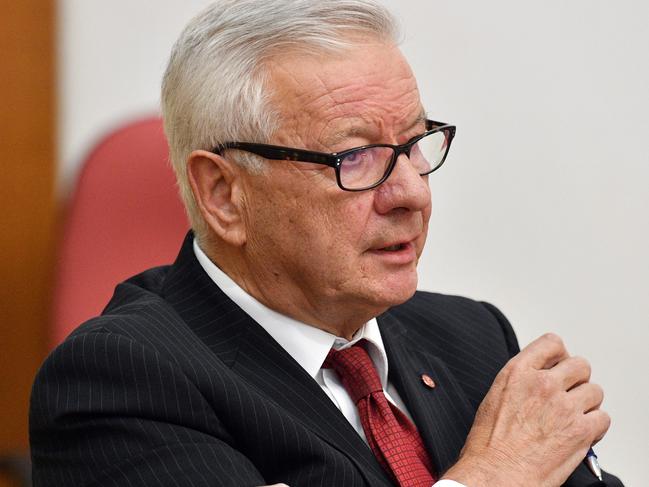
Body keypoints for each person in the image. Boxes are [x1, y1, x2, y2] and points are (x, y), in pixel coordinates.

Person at [30, 1, 623, 486]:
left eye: (415, 144)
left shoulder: (473, 337)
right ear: (223, 193)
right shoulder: (121, 381)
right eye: (355, 156)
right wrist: (496, 476)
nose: (412, 193)